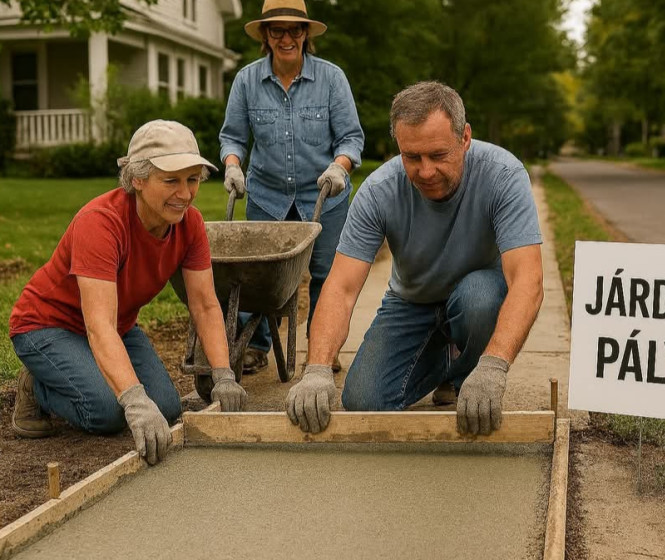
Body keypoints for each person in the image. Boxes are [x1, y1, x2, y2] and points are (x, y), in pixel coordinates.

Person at [286, 82, 544, 435]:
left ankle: (467, 371)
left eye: (438, 155)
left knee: (479, 300)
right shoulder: (379, 191)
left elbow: (528, 281)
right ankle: (444, 362)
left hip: (477, 297)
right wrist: (316, 369)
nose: (425, 171)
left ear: (464, 138)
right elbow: (341, 287)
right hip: (412, 303)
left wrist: (494, 366)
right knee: (365, 401)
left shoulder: (503, 175)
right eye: (412, 157)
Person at [9, 120, 247, 465]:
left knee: (165, 407)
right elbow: (98, 326)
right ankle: (38, 386)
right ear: (137, 178)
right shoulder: (100, 223)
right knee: (107, 412)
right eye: (171, 180)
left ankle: (76, 374)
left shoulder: (189, 224)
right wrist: (133, 401)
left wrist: (223, 374)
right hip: (47, 326)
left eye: (192, 179)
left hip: (114, 325)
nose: (185, 194)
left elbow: (206, 305)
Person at [219, 0, 364, 375]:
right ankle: (254, 345)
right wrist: (233, 166)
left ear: (306, 34)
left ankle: (323, 346)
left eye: (294, 30)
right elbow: (232, 137)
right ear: (265, 36)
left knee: (327, 274)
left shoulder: (332, 78)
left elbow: (351, 138)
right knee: (256, 276)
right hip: (267, 196)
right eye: (277, 30)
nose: (286, 38)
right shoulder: (247, 81)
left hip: (324, 195)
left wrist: (339, 166)